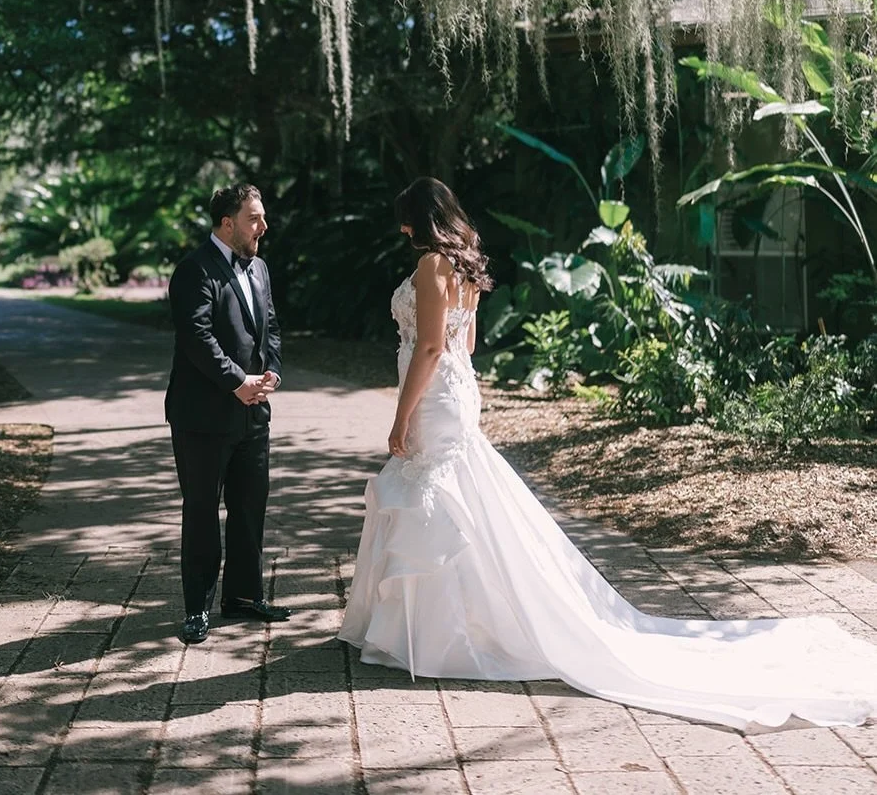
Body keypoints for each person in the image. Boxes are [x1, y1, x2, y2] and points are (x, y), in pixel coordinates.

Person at [339, 176, 877, 730]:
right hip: (458, 389)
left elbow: (429, 346)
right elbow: (465, 346)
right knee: (457, 495)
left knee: (438, 494)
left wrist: (401, 414)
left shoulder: (432, 267)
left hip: (434, 396)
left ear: (420, 220)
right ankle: (456, 621)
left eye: (405, 220)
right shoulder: (466, 268)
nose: (401, 229)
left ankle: (441, 630)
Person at [165, 183, 290, 644]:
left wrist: (270, 374)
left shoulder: (259, 268)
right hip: (202, 416)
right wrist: (238, 382)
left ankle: (242, 595)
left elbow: (271, 327)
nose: (263, 226)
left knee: (249, 506)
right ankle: (197, 607)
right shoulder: (193, 271)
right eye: (254, 218)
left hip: (254, 411)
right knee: (201, 510)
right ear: (227, 223)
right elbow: (197, 339)